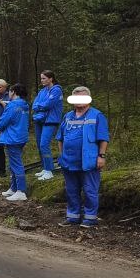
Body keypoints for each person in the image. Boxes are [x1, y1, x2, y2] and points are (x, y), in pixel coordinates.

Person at [56, 86, 110, 228]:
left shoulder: (97, 116)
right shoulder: (67, 116)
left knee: (90, 190)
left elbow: (103, 138)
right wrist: (61, 156)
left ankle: (90, 218)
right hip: (68, 161)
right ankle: (73, 217)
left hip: (89, 161)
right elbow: (60, 138)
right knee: (71, 190)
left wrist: (101, 156)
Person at [0, 83, 30, 201]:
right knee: (13, 163)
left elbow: (4, 120)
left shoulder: (12, 105)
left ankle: (21, 191)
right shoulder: (24, 104)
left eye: (10, 92)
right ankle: (13, 187)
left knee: (16, 164)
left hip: (13, 137)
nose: (8, 94)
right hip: (21, 136)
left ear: (14, 92)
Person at [30, 70, 64, 180]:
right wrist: (41, 106)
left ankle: (50, 170)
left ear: (51, 79)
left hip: (51, 120)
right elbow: (35, 104)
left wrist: (40, 106)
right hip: (39, 120)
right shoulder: (43, 91)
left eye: (44, 78)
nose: (42, 80)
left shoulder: (57, 90)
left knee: (44, 144)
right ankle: (45, 167)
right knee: (40, 145)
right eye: (41, 78)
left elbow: (49, 104)